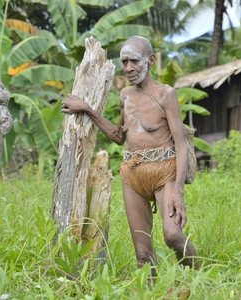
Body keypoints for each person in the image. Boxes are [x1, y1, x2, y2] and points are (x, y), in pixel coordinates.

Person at [61, 36, 199, 280]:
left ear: (150, 61)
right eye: (124, 62)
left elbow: (181, 144)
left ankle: (197, 278)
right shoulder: (125, 94)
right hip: (132, 174)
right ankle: (150, 293)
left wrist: (178, 191)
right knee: (143, 254)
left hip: (164, 170)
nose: (128, 68)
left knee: (173, 235)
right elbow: (118, 136)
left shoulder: (167, 94)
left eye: (134, 61)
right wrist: (87, 108)